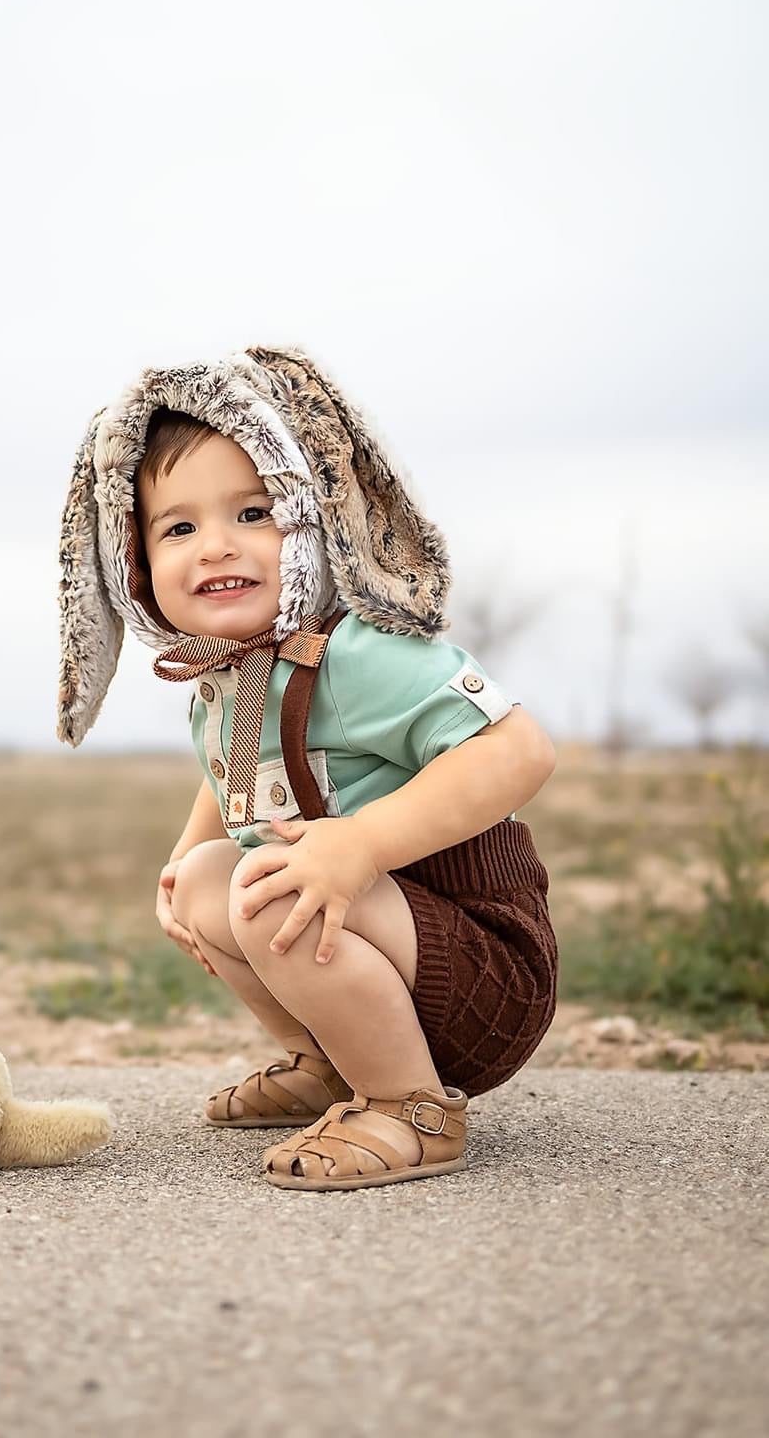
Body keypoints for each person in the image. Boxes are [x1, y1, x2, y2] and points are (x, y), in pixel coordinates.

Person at [55, 343, 559, 1191]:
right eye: (179, 527)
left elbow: (519, 749)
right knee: (213, 880)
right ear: (134, 563)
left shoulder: (359, 650)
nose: (216, 546)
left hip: (483, 967)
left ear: (315, 516)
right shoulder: (228, 675)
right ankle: (334, 1062)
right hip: (390, 953)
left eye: (254, 513)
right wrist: (180, 863)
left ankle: (412, 1109)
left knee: (276, 885)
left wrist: (356, 845)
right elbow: (234, 780)